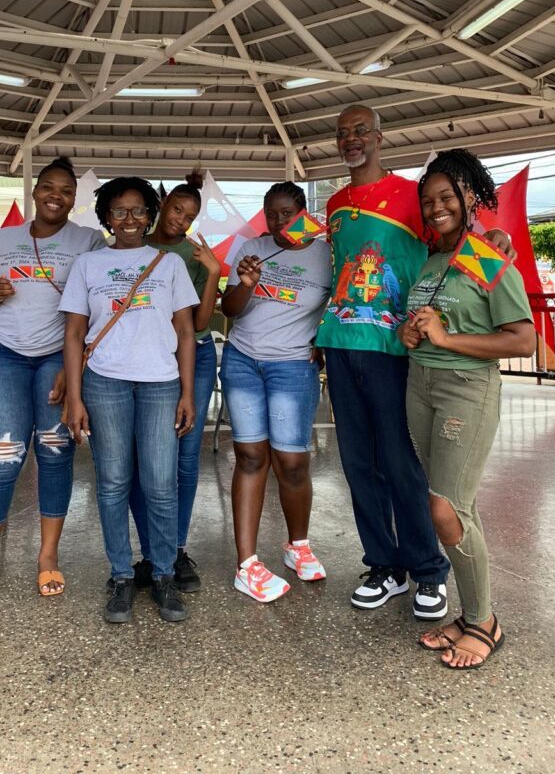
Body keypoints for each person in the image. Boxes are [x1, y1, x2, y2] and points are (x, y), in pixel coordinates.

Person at [316, 104, 513, 619]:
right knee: (358, 463)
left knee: (401, 463)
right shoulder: (335, 202)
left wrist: (498, 242)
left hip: (397, 348)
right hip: (341, 342)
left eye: (361, 131)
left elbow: (470, 240)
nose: (351, 139)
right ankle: (384, 566)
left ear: (380, 137)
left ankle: (428, 570)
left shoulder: (414, 194)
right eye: (343, 134)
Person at [399, 149, 534, 668]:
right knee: (455, 505)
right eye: (428, 200)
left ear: (469, 197)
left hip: (464, 391)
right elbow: (426, 326)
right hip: (421, 386)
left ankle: (484, 621)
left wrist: (448, 338)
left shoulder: (485, 256)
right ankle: (468, 611)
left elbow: (522, 341)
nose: (436, 208)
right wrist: (410, 332)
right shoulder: (433, 262)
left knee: (446, 510)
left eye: (446, 197)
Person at [0, 157, 104, 599]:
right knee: (2, 455)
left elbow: (98, 308)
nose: (55, 196)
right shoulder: (4, 240)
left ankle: (48, 558)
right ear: (35, 191)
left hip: (57, 359)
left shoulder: (89, 241)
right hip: (5, 357)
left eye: (65, 190)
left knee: (55, 451)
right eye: (48, 187)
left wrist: (71, 363)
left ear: (73, 199)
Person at [62, 176, 198, 624]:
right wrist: (75, 398)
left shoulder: (169, 263)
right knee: (113, 483)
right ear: (105, 217)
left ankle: (162, 575)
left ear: (150, 216)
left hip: (161, 384)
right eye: (119, 211)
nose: (130, 220)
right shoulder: (87, 265)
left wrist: (188, 391)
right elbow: (75, 333)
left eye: (139, 210)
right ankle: (121, 575)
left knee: (161, 485)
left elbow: (184, 331)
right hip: (105, 383)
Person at [220, 181, 331, 602]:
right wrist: (246, 283)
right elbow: (229, 309)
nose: (279, 220)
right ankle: (246, 563)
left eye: (287, 212)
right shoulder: (251, 248)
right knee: (250, 456)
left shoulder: (327, 254)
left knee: (293, 461)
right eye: (271, 213)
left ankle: (297, 545)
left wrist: (322, 341)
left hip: (292, 365)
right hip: (243, 360)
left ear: (303, 211)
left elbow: (343, 302)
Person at [127, 170, 222, 593]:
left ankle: (176, 549)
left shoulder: (195, 256)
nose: (180, 220)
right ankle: (151, 550)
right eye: (176, 209)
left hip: (194, 356)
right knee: (138, 461)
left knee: (183, 458)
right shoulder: (133, 244)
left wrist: (215, 275)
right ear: (162, 205)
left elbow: (200, 323)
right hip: (144, 359)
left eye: (189, 216)